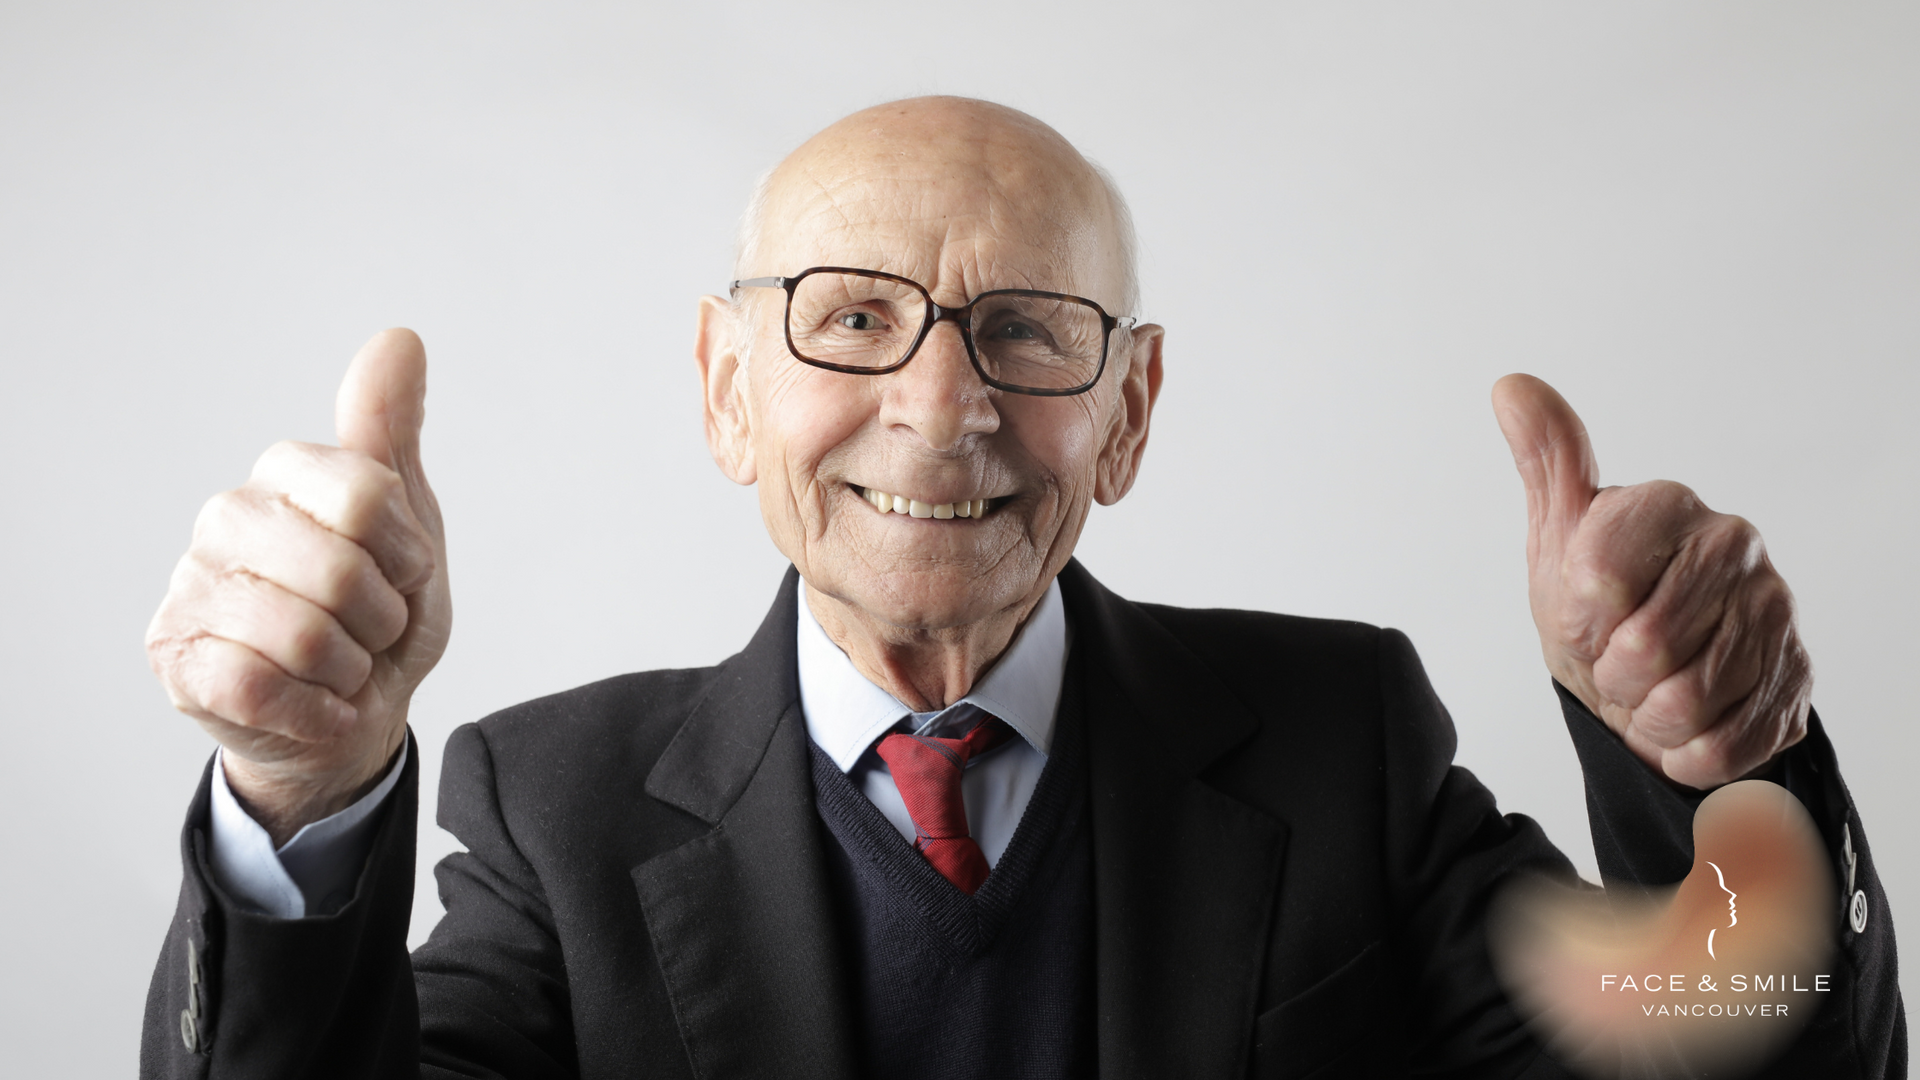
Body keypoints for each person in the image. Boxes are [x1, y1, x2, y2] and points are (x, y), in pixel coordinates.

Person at [139, 97, 1902, 1078]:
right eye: (850, 318)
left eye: (1027, 333)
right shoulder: (558, 808)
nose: (943, 403)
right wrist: (298, 797)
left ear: (1128, 414)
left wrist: (1721, 773)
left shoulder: (1334, 739)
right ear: (725, 390)